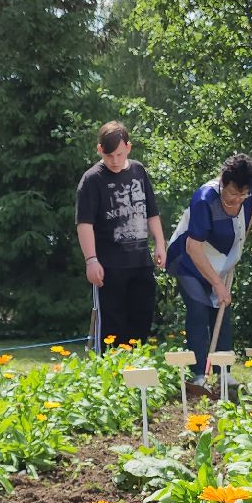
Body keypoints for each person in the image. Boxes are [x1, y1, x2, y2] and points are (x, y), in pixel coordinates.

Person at [167, 154, 252, 386]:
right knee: (199, 310)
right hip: (188, 259)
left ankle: (223, 372)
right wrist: (217, 284)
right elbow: (193, 247)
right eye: (231, 193)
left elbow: (249, 216)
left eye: (242, 194)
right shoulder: (205, 199)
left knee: (222, 308)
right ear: (222, 182)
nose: (237, 200)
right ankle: (199, 374)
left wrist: (236, 251)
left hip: (221, 259)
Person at [76, 121, 166, 348]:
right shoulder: (92, 179)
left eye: (118, 154)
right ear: (99, 151)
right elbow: (84, 224)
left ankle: (136, 376)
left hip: (140, 263)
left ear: (128, 147)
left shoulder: (138, 171)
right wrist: (91, 260)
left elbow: (152, 212)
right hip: (109, 267)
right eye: (108, 156)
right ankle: (112, 375)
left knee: (141, 321)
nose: (114, 161)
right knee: (112, 328)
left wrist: (160, 244)